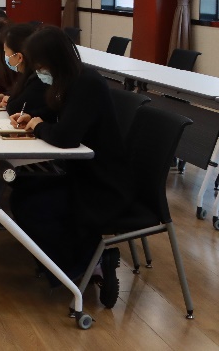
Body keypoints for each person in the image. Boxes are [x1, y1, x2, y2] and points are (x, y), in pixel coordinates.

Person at [7, 26, 131, 304]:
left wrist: (38, 126)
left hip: (101, 182)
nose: (38, 71)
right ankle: (72, 261)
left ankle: (87, 264)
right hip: (79, 170)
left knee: (31, 204)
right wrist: (33, 119)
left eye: (40, 65)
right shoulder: (69, 80)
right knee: (23, 189)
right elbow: (57, 116)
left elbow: (66, 137)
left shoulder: (87, 83)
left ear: (54, 60)